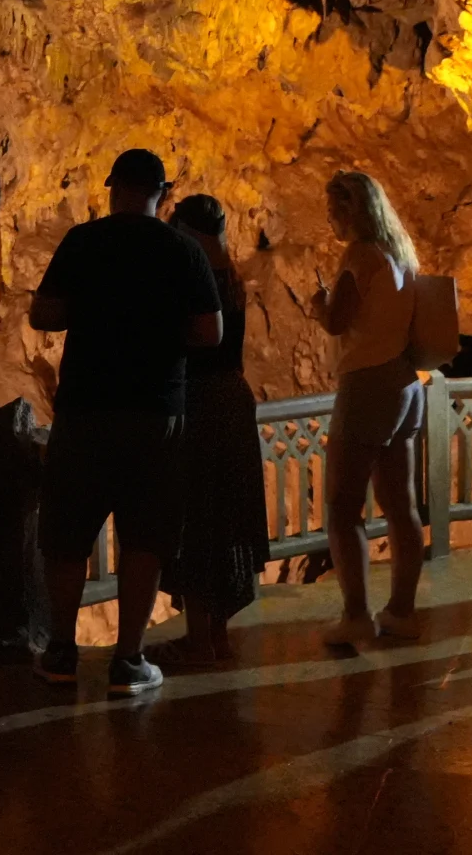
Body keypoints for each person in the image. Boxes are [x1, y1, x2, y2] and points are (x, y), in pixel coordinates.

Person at [28, 149, 223, 696]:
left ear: (113, 188)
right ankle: (128, 660)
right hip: (155, 412)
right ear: (162, 191)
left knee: (67, 534)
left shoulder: (83, 242)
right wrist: (159, 336)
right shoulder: (182, 249)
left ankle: (62, 651)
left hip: (85, 407)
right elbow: (211, 334)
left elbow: (44, 313)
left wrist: (90, 317)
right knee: (145, 535)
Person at [150, 195, 270, 669]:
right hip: (232, 401)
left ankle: (200, 639)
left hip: (200, 405)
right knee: (224, 517)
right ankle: (216, 636)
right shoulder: (231, 275)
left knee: (198, 519)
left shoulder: (194, 277)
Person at [309, 170, 427, 648]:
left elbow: (338, 322)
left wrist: (319, 303)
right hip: (404, 384)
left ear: (351, 210)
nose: (331, 219)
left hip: (366, 385)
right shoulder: (401, 254)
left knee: (342, 506)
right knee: (401, 506)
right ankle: (401, 610)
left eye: (334, 209)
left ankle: (356, 614)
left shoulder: (360, 254)